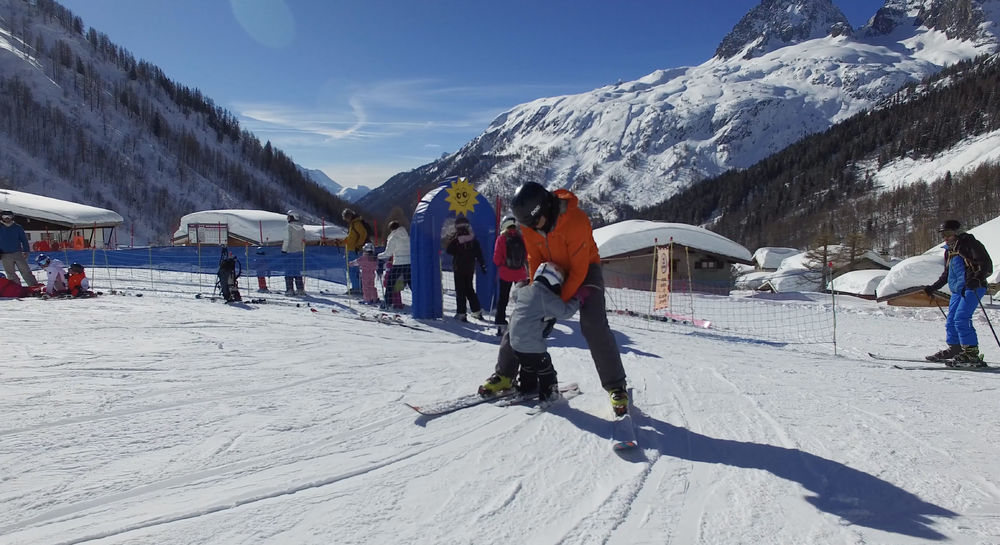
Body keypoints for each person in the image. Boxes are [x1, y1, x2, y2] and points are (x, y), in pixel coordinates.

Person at [479, 182, 629, 416]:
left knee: (593, 324)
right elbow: (534, 257)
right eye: (527, 226)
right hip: (550, 271)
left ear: (546, 208)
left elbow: (578, 271)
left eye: (534, 223)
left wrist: (554, 308)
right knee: (522, 314)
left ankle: (616, 386)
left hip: (585, 269)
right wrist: (535, 295)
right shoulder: (530, 225)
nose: (532, 229)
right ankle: (505, 375)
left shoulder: (576, 221)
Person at [491, 262, 582, 402]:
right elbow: (565, 312)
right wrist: (577, 299)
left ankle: (528, 386)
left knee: (528, 365)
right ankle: (549, 392)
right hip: (533, 345)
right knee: (544, 367)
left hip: (514, 344)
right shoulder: (547, 298)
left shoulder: (524, 291)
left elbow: (515, 294)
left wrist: (521, 283)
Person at [923, 219, 993, 367]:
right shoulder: (950, 251)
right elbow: (947, 274)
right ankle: (956, 349)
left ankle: (972, 354)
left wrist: (976, 278)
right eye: (943, 235)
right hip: (957, 290)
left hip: (973, 287)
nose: (945, 237)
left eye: (948, 233)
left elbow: (986, 264)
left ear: (958, 232)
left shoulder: (970, 244)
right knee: (951, 321)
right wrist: (933, 287)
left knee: (961, 318)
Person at [445, 216, 487, 321]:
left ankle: (461, 313)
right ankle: (477, 311)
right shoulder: (472, 239)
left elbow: (449, 250)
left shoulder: (456, 240)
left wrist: (453, 238)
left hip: (459, 267)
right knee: (469, 289)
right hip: (469, 268)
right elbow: (479, 253)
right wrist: (482, 265)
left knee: (460, 290)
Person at [493, 215, 528, 336]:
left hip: (505, 273)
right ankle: (523, 324)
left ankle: (501, 325)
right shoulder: (521, 237)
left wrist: (502, 264)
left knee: (503, 299)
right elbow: (527, 255)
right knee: (522, 300)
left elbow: (496, 259)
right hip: (520, 273)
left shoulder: (502, 238)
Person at [335, 209, 369, 295]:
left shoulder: (356, 224)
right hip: (352, 249)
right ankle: (357, 286)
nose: (345, 220)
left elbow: (363, 234)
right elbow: (351, 238)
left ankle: (356, 288)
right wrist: (341, 242)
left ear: (348, 216)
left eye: (345, 218)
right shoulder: (353, 224)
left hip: (353, 250)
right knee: (353, 269)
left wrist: (358, 245)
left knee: (352, 269)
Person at [378, 220, 410, 310]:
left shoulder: (393, 238)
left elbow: (388, 253)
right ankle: (420, 303)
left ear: (391, 229)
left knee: (390, 283)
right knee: (412, 284)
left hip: (398, 263)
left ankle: (387, 303)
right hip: (409, 263)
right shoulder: (407, 237)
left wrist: (378, 256)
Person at [0, 210, 39, 287]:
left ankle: (34, 286)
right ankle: (16, 288)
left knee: (25, 271)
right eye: (5, 216)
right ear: (1, 217)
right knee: (10, 273)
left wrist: (26, 251)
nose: (7, 218)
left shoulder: (17, 227)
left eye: (9, 216)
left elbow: (24, 240)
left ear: (12, 217)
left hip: (17, 253)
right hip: (4, 254)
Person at [281, 210, 306, 296]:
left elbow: (287, 239)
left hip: (290, 252)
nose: (287, 218)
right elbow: (303, 240)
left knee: (288, 272)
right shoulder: (302, 228)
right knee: (297, 271)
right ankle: (300, 289)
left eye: (288, 216)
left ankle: (290, 289)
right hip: (299, 252)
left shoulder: (289, 227)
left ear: (292, 217)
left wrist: (283, 250)